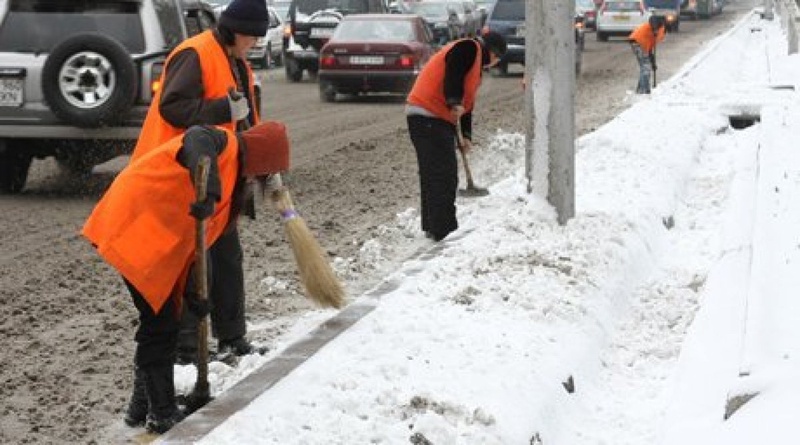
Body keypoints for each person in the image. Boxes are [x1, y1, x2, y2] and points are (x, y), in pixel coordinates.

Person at [82, 122, 291, 434]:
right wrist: (209, 190)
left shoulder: (234, 181)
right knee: (160, 324)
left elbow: (195, 244)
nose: (259, 182)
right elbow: (196, 137)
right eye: (264, 173)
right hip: (134, 221)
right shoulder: (223, 144)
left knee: (164, 319)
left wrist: (195, 295)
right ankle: (161, 411)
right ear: (260, 156)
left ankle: (142, 407)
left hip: (152, 233)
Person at [130, 0, 269, 366]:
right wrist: (223, 109)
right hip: (180, 177)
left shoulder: (236, 60)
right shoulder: (194, 53)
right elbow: (173, 108)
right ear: (236, 29)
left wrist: (261, 163)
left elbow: (244, 121)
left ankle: (232, 338)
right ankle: (186, 350)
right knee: (193, 266)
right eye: (253, 35)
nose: (255, 42)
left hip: (217, 176)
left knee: (226, 257)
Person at [405, 30, 507, 241]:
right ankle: (442, 228)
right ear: (494, 53)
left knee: (432, 172)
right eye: (497, 59)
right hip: (429, 115)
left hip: (428, 117)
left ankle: (433, 226)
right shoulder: (469, 48)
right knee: (443, 173)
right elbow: (454, 70)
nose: (495, 64)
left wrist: (466, 135)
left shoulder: (475, 66)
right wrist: (453, 100)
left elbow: (467, 107)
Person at [629, 15, 667, 94]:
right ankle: (644, 90)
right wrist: (655, 28)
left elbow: (649, 51)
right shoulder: (659, 26)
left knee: (645, 66)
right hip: (638, 42)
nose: (663, 39)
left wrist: (653, 63)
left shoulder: (656, 35)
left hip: (637, 42)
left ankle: (641, 89)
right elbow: (653, 19)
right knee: (646, 67)